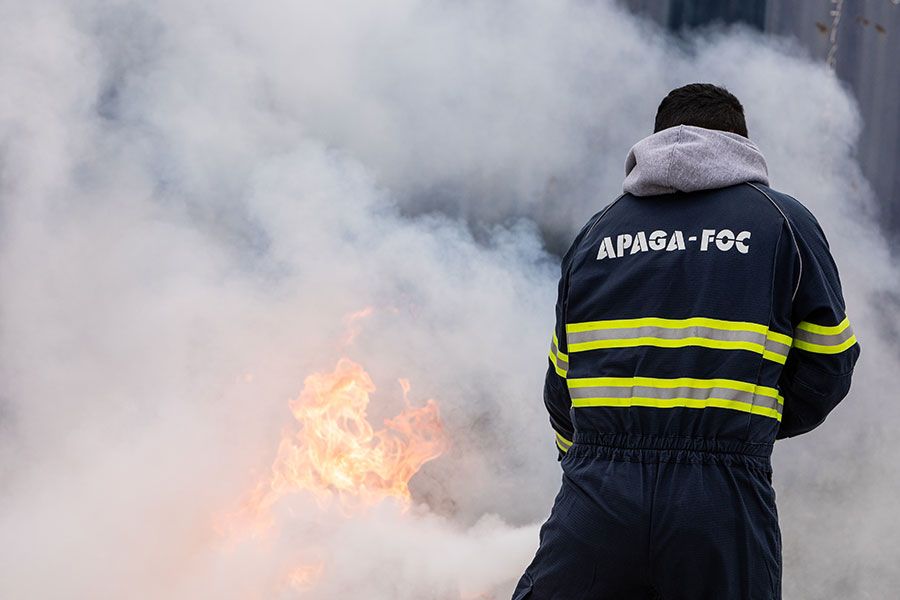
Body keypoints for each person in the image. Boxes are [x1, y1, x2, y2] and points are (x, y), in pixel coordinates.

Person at [513, 83, 860, 600]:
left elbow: (561, 390)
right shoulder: (781, 220)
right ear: (740, 144)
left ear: (655, 140)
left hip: (597, 492)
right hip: (720, 497)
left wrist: (595, 463)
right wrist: (742, 423)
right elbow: (829, 364)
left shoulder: (596, 233)